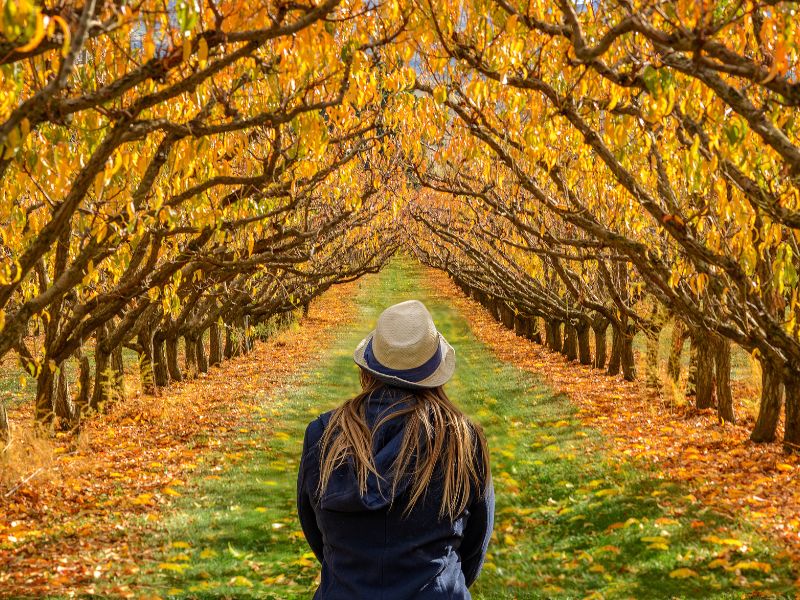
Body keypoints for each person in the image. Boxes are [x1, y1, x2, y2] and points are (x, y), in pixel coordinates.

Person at [297, 299, 494, 599]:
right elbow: (474, 549)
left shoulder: (324, 436)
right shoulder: (462, 441)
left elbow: (317, 534)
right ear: (435, 374)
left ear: (369, 369)